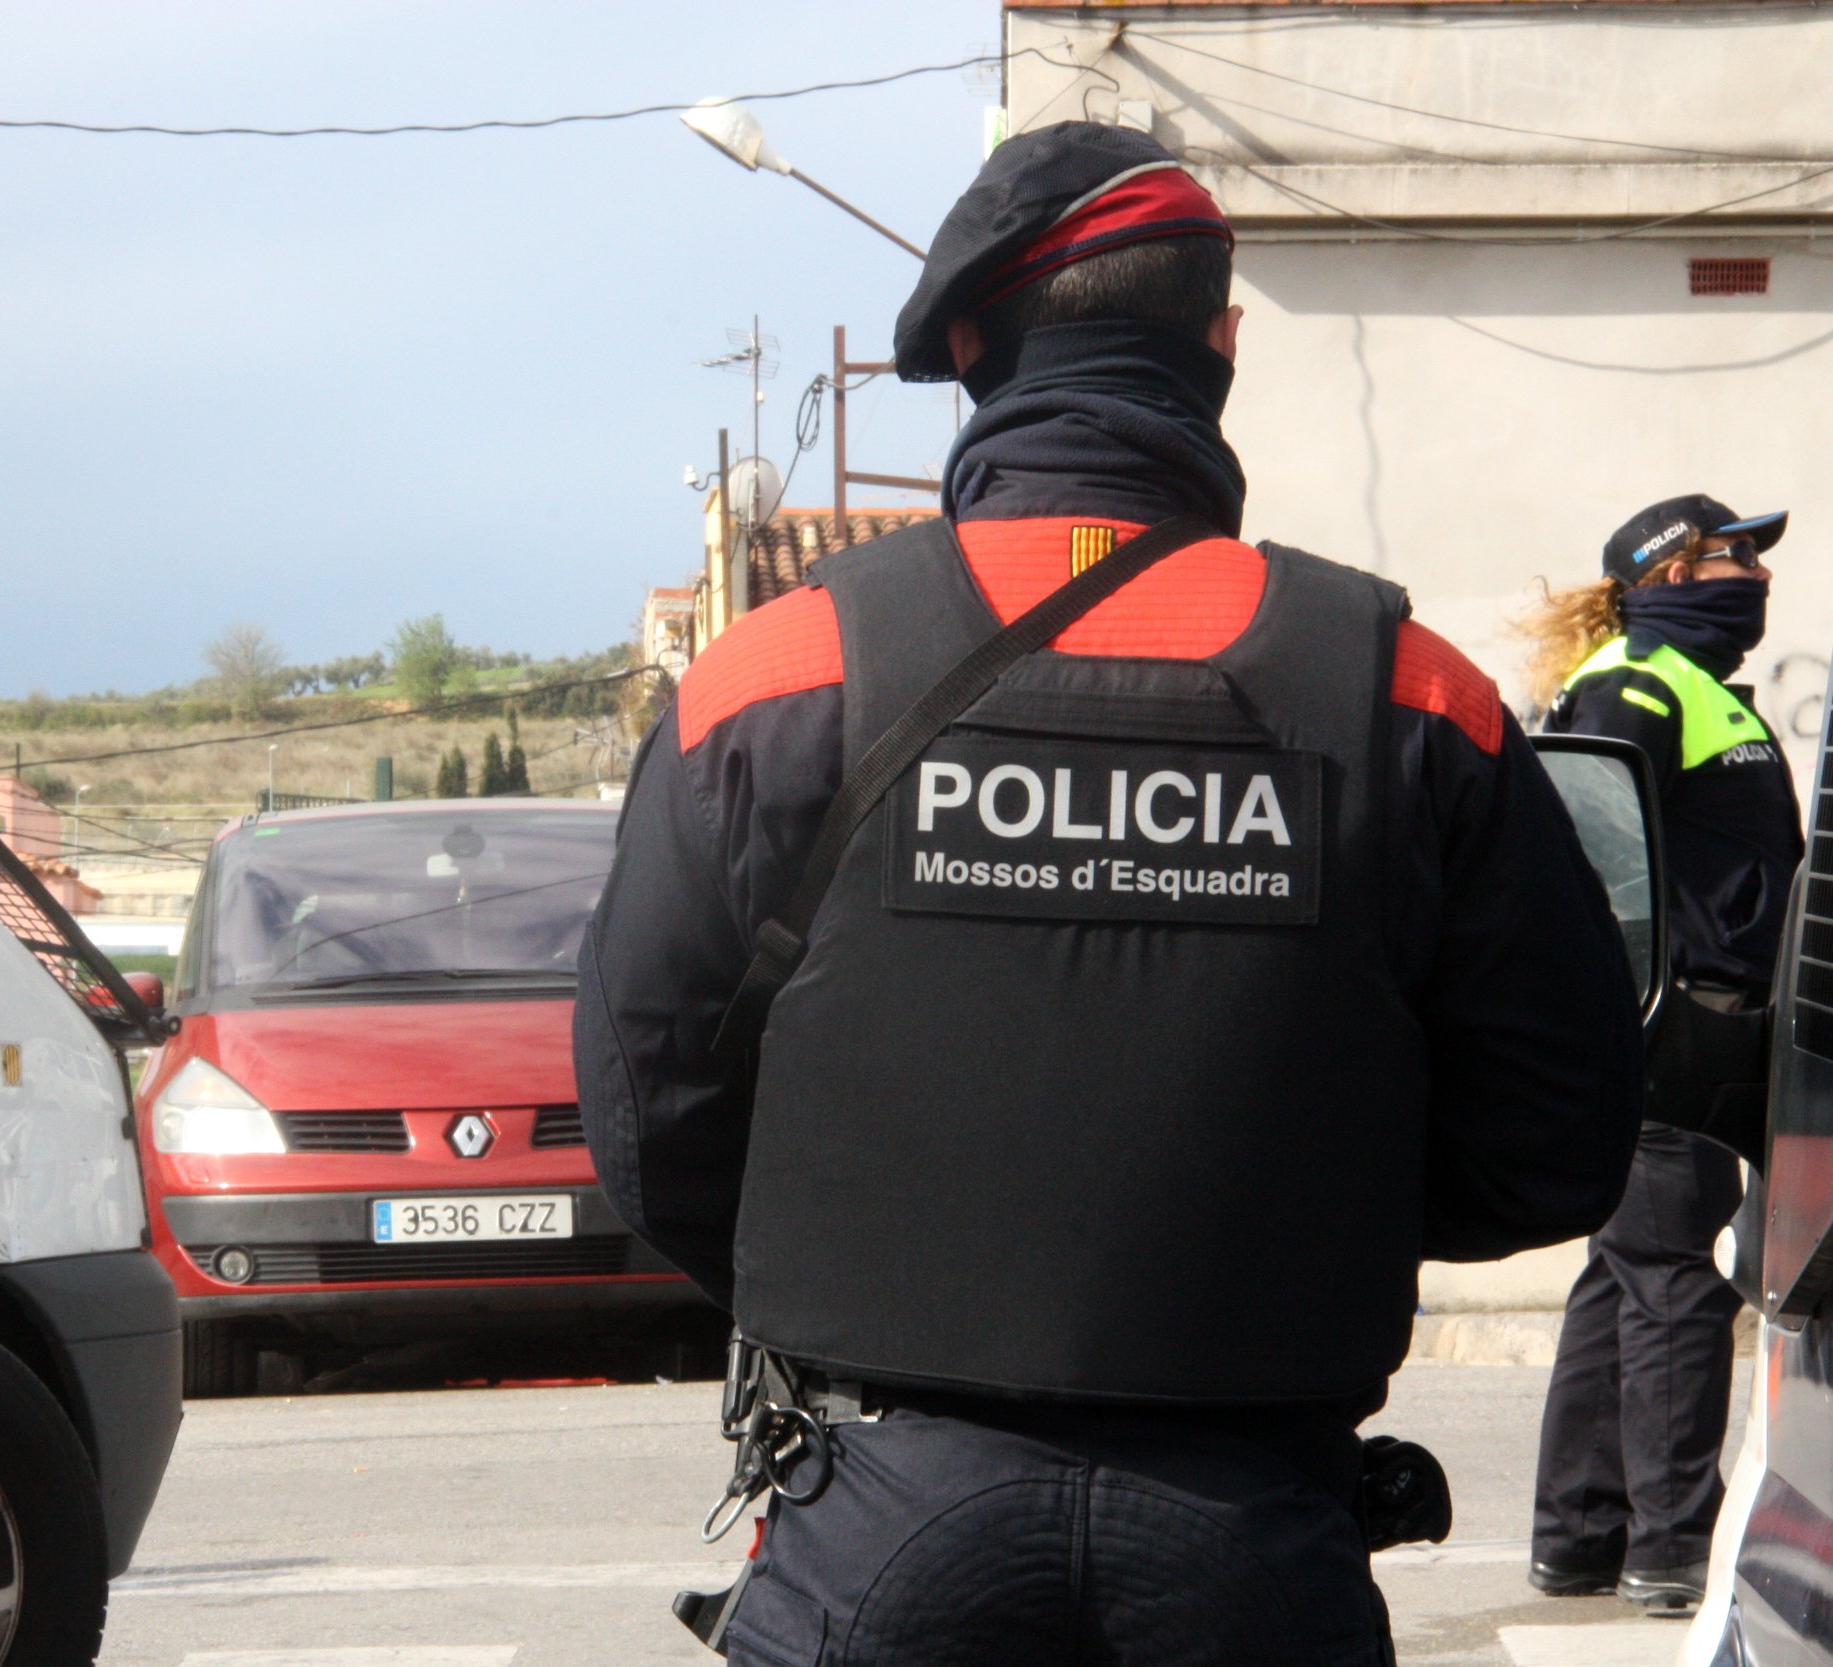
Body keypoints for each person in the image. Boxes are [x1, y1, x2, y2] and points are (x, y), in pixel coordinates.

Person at [575, 121, 1646, 1666]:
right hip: (1261, 1529)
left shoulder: (776, 675)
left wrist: (860, 1255)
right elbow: (1559, 1139)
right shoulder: (1412, 695)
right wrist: (1283, 1206)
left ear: (965, 345)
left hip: (875, 1513)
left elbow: (642, 1097)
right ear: (1219, 342)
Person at [1523, 496, 1801, 1611]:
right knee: (1674, 1281)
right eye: (1737, 554)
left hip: (1719, 1024)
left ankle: (1581, 1533)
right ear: (1674, 571)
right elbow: (1579, 854)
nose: (1758, 575)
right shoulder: (1630, 685)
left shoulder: (1691, 688)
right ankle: (1672, 1547)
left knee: (1627, 1273)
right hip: (1667, 1025)